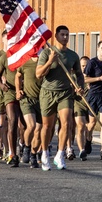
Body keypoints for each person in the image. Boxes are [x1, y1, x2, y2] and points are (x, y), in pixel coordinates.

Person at [36, 26, 84, 171]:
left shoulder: (73, 55)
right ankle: (44, 153)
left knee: (66, 123)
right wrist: (50, 61)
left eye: (67, 35)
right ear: (56, 36)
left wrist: (79, 86)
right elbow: (38, 74)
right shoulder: (46, 53)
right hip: (48, 92)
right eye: (62, 35)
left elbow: (79, 74)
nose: (65, 37)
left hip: (65, 93)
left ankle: (60, 154)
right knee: (47, 126)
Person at [16, 52, 43, 168]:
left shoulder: (46, 62)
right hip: (27, 99)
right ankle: (26, 148)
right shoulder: (25, 61)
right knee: (31, 126)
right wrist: (18, 90)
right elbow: (18, 76)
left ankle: (33, 154)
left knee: (39, 131)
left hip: (42, 100)